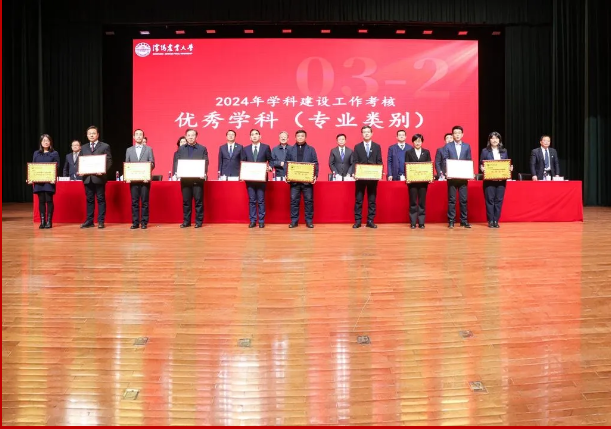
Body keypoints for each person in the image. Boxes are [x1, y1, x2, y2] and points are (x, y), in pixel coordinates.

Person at [79, 125, 112, 229]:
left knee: (101, 199)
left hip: (99, 178)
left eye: (93, 133)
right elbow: (81, 160)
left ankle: (101, 221)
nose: (91, 135)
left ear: (97, 135)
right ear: (87, 135)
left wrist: (103, 170)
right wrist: (80, 170)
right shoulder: (83, 147)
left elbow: (109, 161)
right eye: (89, 134)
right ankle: (89, 221)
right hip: (87, 178)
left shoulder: (105, 146)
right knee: (89, 200)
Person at [286, 129, 319, 228]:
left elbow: (315, 163)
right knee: (294, 201)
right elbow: (287, 163)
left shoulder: (311, 149)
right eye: (298, 136)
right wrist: (287, 175)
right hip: (294, 181)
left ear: (305, 137)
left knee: (309, 201)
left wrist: (315, 176)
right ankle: (294, 221)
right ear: (295, 137)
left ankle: (309, 221)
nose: (300, 137)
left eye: (302, 136)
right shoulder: (290, 149)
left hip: (307, 181)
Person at [176, 128, 208, 228]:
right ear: (186, 137)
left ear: (196, 137)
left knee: (198, 201)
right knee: (186, 202)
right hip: (185, 180)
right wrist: (178, 172)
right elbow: (177, 161)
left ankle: (198, 222)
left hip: (198, 179)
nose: (190, 137)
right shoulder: (181, 148)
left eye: (193, 135)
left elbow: (206, 162)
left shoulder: (202, 148)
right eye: (188, 135)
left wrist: (203, 172)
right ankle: (186, 221)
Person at [352, 126, 383, 228]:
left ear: (372, 133)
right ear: (362, 134)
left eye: (368, 132)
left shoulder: (377, 146)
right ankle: (358, 221)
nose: (366, 134)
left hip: (372, 178)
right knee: (359, 200)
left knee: (372, 200)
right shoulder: (357, 147)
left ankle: (370, 220)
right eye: (364, 132)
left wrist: (380, 172)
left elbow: (379, 161)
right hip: (360, 178)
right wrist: (354, 172)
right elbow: (355, 161)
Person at [442, 125, 472, 229]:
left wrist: (469, 172)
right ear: (453, 135)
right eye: (455, 133)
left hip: (463, 177)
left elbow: (469, 160)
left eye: (459, 133)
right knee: (452, 200)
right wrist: (446, 172)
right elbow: (445, 160)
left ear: (462, 134)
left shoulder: (467, 146)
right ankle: (451, 221)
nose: (457, 135)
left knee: (463, 200)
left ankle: (464, 221)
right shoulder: (448, 146)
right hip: (452, 177)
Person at [241, 129, 272, 228]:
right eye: (252, 135)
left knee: (261, 200)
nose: (254, 136)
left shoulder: (265, 147)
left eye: (256, 134)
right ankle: (253, 220)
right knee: (252, 200)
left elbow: (271, 160)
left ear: (260, 136)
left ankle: (261, 221)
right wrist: (242, 173)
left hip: (261, 178)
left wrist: (270, 167)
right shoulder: (245, 149)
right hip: (250, 179)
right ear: (250, 137)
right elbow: (243, 162)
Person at [125, 129, 155, 229]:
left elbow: (152, 163)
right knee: (134, 202)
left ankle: (144, 223)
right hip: (133, 180)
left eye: (140, 134)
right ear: (134, 137)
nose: (138, 136)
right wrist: (127, 177)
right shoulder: (129, 150)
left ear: (143, 137)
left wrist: (147, 174)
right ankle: (135, 222)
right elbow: (127, 164)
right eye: (136, 134)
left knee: (145, 202)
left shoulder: (149, 149)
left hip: (145, 180)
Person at [480, 132, 512, 228]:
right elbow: (481, 163)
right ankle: (490, 220)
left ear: (499, 140)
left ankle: (496, 220)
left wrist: (509, 168)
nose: (494, 140)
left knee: (499, 201)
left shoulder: (504, 151)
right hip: (489, 181)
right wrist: (482, 168)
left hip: (501, 181)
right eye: (492, 138)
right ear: (489, 140)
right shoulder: (485, 151)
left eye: (497, 138)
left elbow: (506, 163)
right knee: (490, 200)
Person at [29, 134, 60, 229]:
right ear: (41, 143)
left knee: (49, 200)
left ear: (50, 142)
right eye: (44, 141)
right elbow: (33, 166)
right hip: (39, 181)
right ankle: (42, 221)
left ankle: (49, 221)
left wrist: (53, 177)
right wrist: (30, 177)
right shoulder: (36, 153)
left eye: (47, 140)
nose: (46, 142)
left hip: (49, 181)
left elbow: (57, 166)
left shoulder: (54, 153)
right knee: (41, 201)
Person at [405, 134, 431, 229]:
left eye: (419, 141)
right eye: (415, 141)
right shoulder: (408, 152)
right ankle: (412, 222)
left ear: (422, 142)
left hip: (423, 182)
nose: (417, 143)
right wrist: (407, 178)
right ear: (413, 142)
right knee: (413, 202)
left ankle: (421, 222)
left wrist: (429, 177)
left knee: (422, 202)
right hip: (412, 182)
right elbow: (406, 165)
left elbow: (429, 166)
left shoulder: (426, 152)